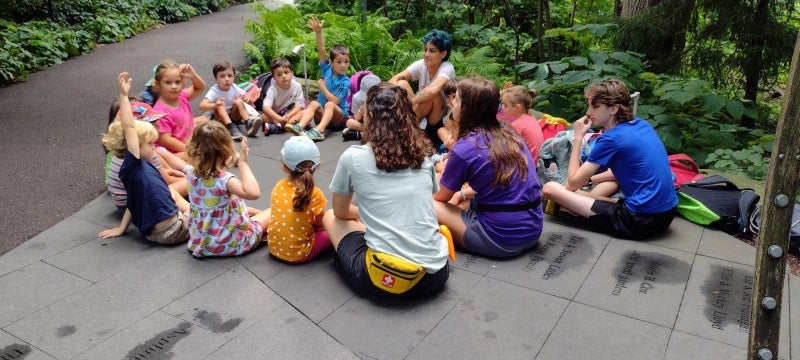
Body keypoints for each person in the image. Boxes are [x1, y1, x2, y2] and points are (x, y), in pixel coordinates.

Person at [322, 83, 449, 298]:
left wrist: (363, 217)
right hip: (435, 274)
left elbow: (342, 212)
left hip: (386, 278)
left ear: (370, 117)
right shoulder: (424, 156)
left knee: (331, 216)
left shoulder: (353, 157)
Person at [541, 78, 678, 240]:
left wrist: (578, 137)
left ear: (613, 109)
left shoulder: (611, 139)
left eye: (595, 106)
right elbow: (625, 170)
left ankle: (569, 209)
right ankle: (577, 205)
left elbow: (571, 184)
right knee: (586, 190)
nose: (588, 112)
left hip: (640, 220)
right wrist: (590, 179)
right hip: (668, 213)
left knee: (550, 189)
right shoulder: (640, 124)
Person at [433, 75, 543, 258]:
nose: (452, 104)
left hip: (500, 238)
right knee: (449, 187)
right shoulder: (509, 132)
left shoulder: (467, 146)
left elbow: (441, 197)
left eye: (457, 99)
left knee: (427, 202)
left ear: (467, 108)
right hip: (532, 228)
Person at [99, 72, 190, 245]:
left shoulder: (130, 169)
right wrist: (124, 96)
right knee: (213, 208)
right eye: (149, 143)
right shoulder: (135, 160)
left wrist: (121, 229)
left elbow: (132, 202)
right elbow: (129, 127)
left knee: (171, 192)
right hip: (174, 231)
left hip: (151, 234)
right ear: (135, 146)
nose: (153, 145)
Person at [158, 121, 270, 257]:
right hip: (231, 244)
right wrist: (243, 164)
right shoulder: (225, 180)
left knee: (249, 210)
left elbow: (179, 163)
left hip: (201, 242)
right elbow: (253, 193)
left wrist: (160, 151)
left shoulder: (192, 173)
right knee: (270, 211)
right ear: (227, 150)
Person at [104, 98, 187, 215]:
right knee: (189, 183)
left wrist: (169, 172)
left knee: (160, 152)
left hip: (124, 207)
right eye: (152, 124)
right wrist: (189, 180)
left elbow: (163, 175)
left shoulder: (122, 152)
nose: (156, 126)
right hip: (139, 208)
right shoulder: (142, 154)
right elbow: (166, 182)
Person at [285, 16, 350, 142]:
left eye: (346, 62)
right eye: (339, 62)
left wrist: (322, 86)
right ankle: (300, 127)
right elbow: (321, 50)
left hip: (339, 120)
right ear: (331, 62)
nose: (343, 65)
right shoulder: (327, 70)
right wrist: (318, 32)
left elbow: (334, 101)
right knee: (314, 103)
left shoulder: (345, 81)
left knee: (330, 104)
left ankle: (319, 131)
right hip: (323, 115)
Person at [267, 136, 331, 263]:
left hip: (274, 248)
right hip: (299, 254)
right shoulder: (315, 194)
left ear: (284, 167)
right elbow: (322, 224)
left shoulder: (279, 186)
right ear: (317, 166)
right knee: (333, 226)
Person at [389, 29, 455, 147]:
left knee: (431, 95)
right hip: (418, 110)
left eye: (432, 51)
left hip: (437, 119)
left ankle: (402, 130)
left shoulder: (447, 68)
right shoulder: (422, 64)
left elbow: (432, 90)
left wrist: (407, 103)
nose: (426, 54)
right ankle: (402, 127)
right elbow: (395, 79)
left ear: (443, 54)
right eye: (425, 50)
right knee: (402, 84)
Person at [152, 60, 208, 160]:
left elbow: (200, 87)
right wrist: (190, 149)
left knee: (205, 120)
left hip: (188, 138)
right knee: (197, 156)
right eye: (168, 83)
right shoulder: (159, 112)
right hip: (174, 152)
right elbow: (166, 140)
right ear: (157, 84)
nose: (174, 86)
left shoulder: (182, 96)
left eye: (177, 82)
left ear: (183, 83)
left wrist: (193, 76)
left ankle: (214, 156)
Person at [199, 60, 262, 141]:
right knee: (220, 105)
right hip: (221, 119)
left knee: (238, 101)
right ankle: (232, 128)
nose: (227, 79)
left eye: (230, 76)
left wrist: (247, 99)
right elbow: (201, 106)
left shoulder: (234, 87)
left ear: (233, 77)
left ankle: (248, 123)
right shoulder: (214, 90)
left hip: (234, 117)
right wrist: (214, 105)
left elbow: (247, 97)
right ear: (216, 79)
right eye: (222, 76)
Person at [260, 57, 306, 135]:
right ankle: (286, 126)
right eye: (279, 74)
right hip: (276, 116)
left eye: (286, 72)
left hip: (290, 114)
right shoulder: (273, 89)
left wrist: (288, 115)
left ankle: (278, 127)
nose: (284, 76)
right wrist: (279, 119)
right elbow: (266, 107)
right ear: (274, 78)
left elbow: (299, 106)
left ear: (292, 73)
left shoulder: (297, 86)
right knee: (263, 116)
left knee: (306, 112)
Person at [498, 85, 544, 162]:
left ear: (517, 107)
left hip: (525, 166)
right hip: (535, 163)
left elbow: (506, 148)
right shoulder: (530, 117)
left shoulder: (517, 125)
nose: (502, 108)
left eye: (505, 105)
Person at [342, 73, 380, 142]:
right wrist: (361, 112)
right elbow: (357, 118)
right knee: (349, 122)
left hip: (377, 122)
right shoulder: (357, 98)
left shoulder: (382, 98)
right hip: (365, 124)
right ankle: (372, 133)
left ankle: (361, 134)